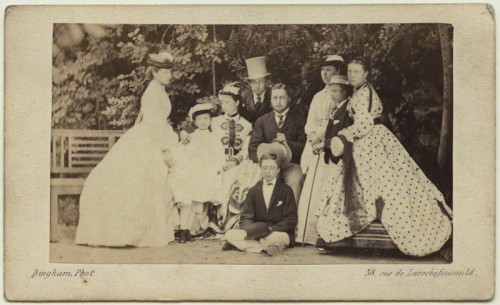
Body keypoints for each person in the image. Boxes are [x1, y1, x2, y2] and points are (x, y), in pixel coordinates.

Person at [315, 58, 453, 257]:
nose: (352, 75)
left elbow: (364, 125)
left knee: (381, 183)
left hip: (371, 140)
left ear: (366, 74)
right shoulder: (360, 91)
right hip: (365, 140)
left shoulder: (366, 94)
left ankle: (378, 223)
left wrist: (342, 136)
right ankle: (357, 229)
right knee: (366, 184)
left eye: (357, 72)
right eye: (350, 72)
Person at [75, 51, 180, 247]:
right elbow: (152, 123)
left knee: (153, 182)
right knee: (141, 181)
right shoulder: (152, 92)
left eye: (170, 72)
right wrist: (164, 150)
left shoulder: (158, 89)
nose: (169, 76)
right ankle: (130, 232)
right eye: (165, 72)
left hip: (151, 136)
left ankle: (149, 230)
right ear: (155, 73)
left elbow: (148, 119)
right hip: (149, 139)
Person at [295, 75, 353, 245]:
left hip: (337, 159)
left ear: (345, 92)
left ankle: (327, 236)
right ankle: (310, 234)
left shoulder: (346, 111)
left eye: (335, 91)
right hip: (328, 155)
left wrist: (323, 145)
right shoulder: (335, 109)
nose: (332, 94)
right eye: (331, 91)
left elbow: (341, 136)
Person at [169, 103, 226, 243]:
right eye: (200, 119)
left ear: (211, 120)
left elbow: (219, 157)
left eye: (206, 118)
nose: (203, 122)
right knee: (187, 191)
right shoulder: (191, 137)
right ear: (194, 121)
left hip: (207, 172)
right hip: (192, 171)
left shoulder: (214, 138)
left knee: (197, 192)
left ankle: (189, 230)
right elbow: (181, 154)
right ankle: (184, 229)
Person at [223, 152, 298, 256]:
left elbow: (291, 219)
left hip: (277, 231)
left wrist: (271, 229)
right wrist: (251, 230)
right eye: (265, 168)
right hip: (256, 232)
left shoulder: (286, 190)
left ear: (278, 170)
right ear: (260, 169)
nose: (268, 172)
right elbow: (245, 217)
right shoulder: (253, 190)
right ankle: (264, 248)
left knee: (275, 238)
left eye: (272, 168)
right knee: (230, 234)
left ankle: (245, 246)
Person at [248, 83, 306, 204]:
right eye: (275, 98)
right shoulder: (262, 120)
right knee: (255, 179)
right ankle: (261, 217)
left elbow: (305, 147)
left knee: (296, 179)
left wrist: (287, 143)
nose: (278, 101)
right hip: (267, 165)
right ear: (270, 100)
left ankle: (290, 218)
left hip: (291, 164)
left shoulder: (299, 119)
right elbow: (253, 148)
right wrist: (265, 163)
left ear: (289, 98)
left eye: (282, 97)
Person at [301, 55, 345, 174]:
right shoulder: (318, 96)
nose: (324, 73)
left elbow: (340, 122)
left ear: (338, 70)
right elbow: (310, 122)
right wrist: (311, 135)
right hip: (314, 141)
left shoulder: (343, 95)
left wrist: (319, 135)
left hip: (332, 141)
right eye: (322, 70)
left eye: (328, 69)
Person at [238, 56, 274, 124]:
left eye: (261, 81)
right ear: (249, 83)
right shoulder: (244, 96)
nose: (257, 86)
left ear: (266, 82)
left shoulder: (273, 95)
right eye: (253, 82)